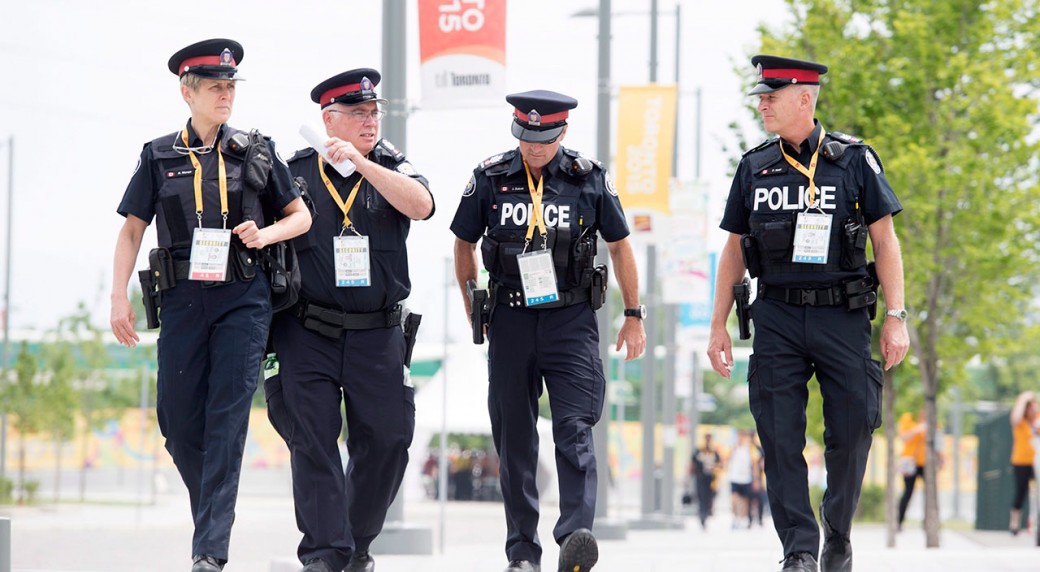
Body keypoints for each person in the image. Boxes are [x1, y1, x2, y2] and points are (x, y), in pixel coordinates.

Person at [109, 38, 311, 572]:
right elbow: (132, 230)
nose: (226, 95)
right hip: (180, 298)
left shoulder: (257, 150)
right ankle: (213, 515)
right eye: (216, 87)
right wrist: (117, 299)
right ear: (187, 91)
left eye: (231, 87)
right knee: (177, 421)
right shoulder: (158, 155)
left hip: (243, 297)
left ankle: (209, 552)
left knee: (227, 418)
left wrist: (265, 235)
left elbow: (300, 217)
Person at [706, 55, 909, 572]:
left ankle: (836, 533)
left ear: (805, 98)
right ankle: (797, 549)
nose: (762, 103)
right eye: (760, 95)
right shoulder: (754, 166)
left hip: (842, 316)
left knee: (854, 430)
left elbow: (885, 242)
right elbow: (733, 248)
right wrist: (718, 325)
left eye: (772, 95)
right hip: (775, 315)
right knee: (777, 437)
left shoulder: (855, 160)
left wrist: (896, 316)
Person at [450, 90, 646, 572]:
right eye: (525, 137)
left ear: (562, 133)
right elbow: (462, 243)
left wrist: (634, 313)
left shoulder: (589, 179)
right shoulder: (490, 177)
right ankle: (522, 552)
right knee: (514, 439)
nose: (533, 148)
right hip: (511, 320)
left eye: (543, 139)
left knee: (574, 428)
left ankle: (575, 537)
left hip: (571, 320)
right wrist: (473, 303)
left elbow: (620, 246)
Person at [270, 67, 434, 572]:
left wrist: (364, 165)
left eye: (373, 112)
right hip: (307, 331)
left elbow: (423, 206)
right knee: (313, 440)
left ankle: (357, 542)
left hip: (377, 333)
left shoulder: (389, 166)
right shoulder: (293, 171)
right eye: (358, 114)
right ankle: (323, 553)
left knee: (388, 439)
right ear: (329, 118)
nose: (369, 120)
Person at [1009, 391, 1039, 535]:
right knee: (1021, 491)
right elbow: (1015, 418)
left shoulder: (1038, 420)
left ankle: (1034, 522)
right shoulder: (1020, 422)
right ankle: (1014, 523)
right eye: (1029, 407)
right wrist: (1022, 399)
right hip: (1021, 461)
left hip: (1037, 461)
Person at [896, 410, 927, 531]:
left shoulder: (932, 415)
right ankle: (899, 521)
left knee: (929, 493)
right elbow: (904, 437)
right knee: (908, 492)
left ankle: (927, 522)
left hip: (925, 462)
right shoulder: (908, 417)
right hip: (909, 460)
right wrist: (918, 429)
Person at [690, 433, 722, 529]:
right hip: (701, 477)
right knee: (701, 496)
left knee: (709, 497)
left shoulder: (714, 452)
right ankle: (702, 515)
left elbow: (719, 463)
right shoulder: (699, 451)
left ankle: (707, 512)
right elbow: (693, 463)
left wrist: (715, 468)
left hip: (711, 479)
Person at [727, 430, 755, 529]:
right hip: (735, 477)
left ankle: (743, 519)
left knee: (744, 501)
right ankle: (735, 517)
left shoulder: (749, 449)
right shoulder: (733, 448)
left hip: (746, 478)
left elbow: (753, 463)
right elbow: (727, 459)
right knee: (734, 499)